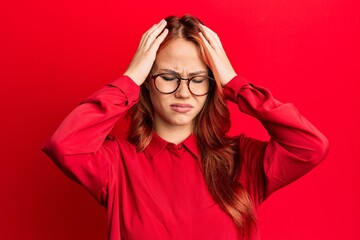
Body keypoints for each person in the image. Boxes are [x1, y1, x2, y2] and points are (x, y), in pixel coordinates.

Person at [41, 15, 330, 240]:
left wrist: (235, 84)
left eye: (198, 78)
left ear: (212, 83)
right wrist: (129, 79)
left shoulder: (242, 160)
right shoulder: (117, 164)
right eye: (168, 77)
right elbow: (65, 146)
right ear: (147, 82)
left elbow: (310, 146)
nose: (183, 92)